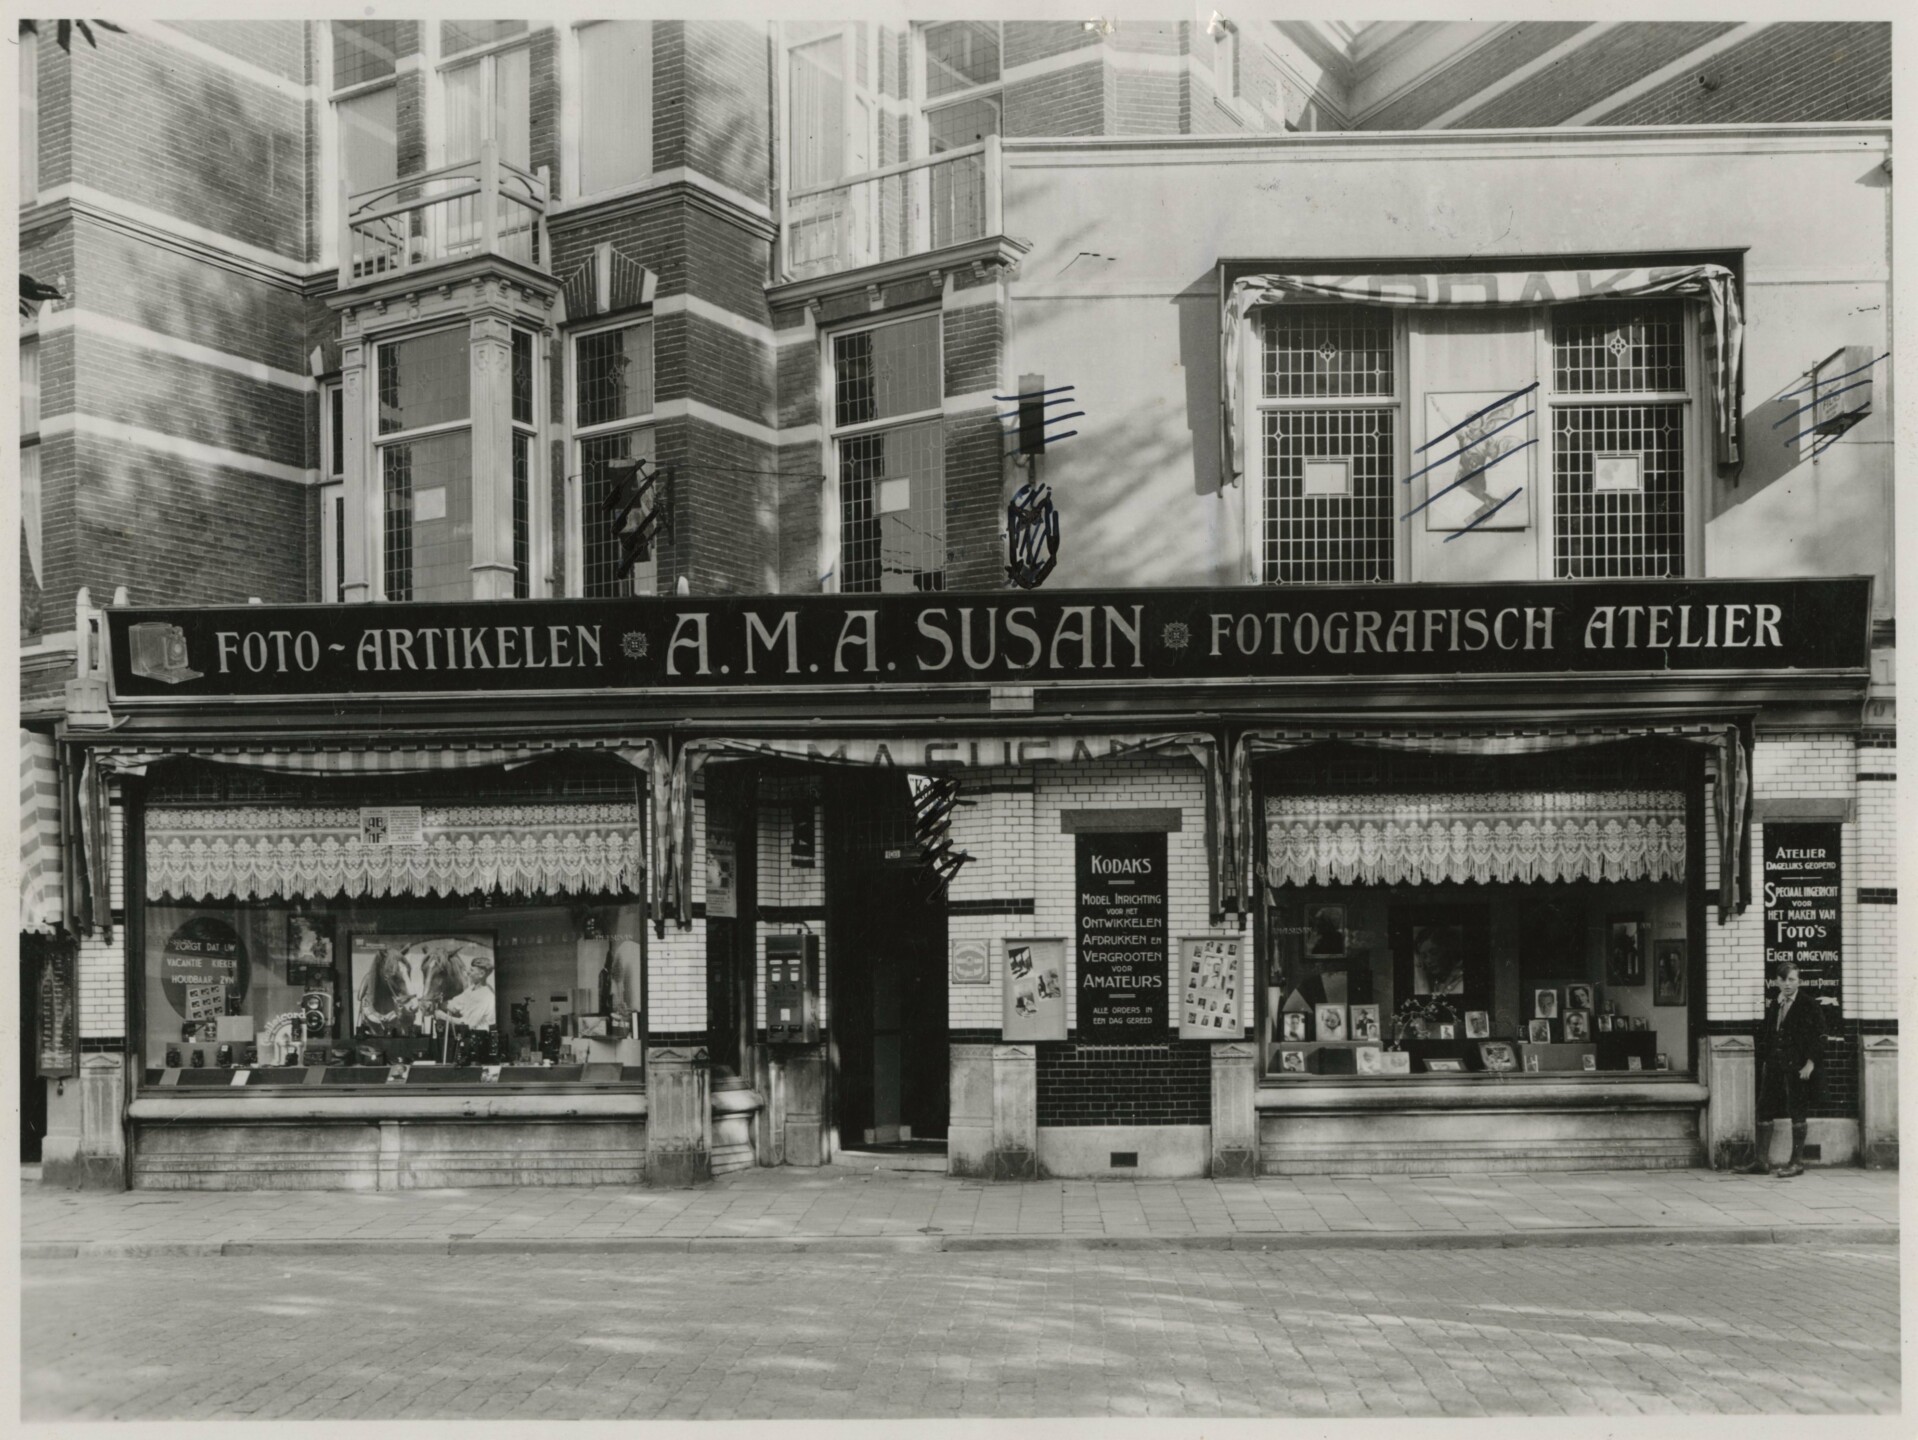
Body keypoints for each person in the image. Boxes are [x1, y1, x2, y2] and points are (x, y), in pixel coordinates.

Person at [1748, 963, 1827, 1178]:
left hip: (1797, 1067)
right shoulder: (1776, 1003)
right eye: (1783, 980)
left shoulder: (1808, 1005)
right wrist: (1766, 1061)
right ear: (1776, 982)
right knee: (1764, 1107)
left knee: (1797, 1109)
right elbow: (1770, 1034)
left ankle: (1796, 1163)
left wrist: (1810, 1064)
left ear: (1799, 981)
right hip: (1774, 1066)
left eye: (1792, 980)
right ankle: (1761, 1162)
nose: (1787, 984)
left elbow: (1820, 1037)